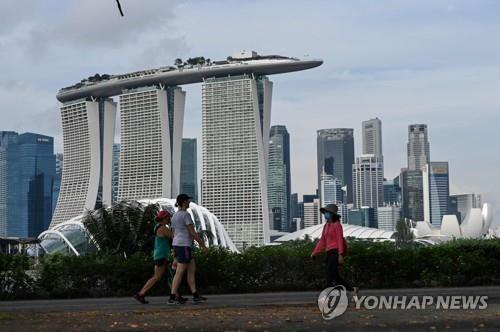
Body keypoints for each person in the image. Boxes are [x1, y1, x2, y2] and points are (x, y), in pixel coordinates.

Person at [311, 203, 359, 297]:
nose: (325, 214)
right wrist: (314, 252)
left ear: (332, 214)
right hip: (329, 252)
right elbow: (322, 241)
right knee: (335, 275)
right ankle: (353, 289)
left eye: (327, 212)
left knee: (329, 274)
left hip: (336, 252)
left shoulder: (337, 225)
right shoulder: (326, 226)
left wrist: (340, 254)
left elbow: (340, 239)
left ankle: (326, 296)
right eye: (324, 212)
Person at [168, 194, 208, 305]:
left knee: (191, 269)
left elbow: (172, 233)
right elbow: (192, 232)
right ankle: (172, 297)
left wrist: (175, 247)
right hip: (184, 245)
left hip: (178, 245)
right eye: (188, 201)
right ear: (184, 202)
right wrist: (202, 244)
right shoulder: (186, 215)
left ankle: (195, 296)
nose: (189, 202)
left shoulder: (175, 216)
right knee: (180, 272)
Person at [133, 210, 173, 304]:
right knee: (156, 277)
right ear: (163, 219)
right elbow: (173, 236)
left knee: (170, 276)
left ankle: (176, 295)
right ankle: (140, 294)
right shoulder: (163, 228)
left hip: (159, 254)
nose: (169, 219)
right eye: (168, 218)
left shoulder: (157, 226)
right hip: (161, 255)